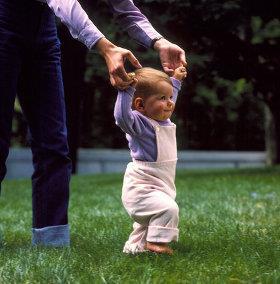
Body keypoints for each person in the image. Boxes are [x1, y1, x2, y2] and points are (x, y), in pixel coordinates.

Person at [0, 0, 186, 247]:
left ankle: (51, 241)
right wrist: (106, 48)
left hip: (43, 34)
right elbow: (63, 3)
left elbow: (124, 9)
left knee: (53, 143)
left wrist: (158, 41)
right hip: (3, 24)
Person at [114, 66, 187, 254]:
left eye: (170, 97)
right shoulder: (139, 125)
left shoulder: (163, 121)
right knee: (168, 209)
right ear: (140, 105)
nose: (170, 103)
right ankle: (156, 243)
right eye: (162, 98)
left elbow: (169, 100)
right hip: (141, 188)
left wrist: (175, 82)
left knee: (148, 223)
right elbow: (122, 117)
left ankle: (135, 248)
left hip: (161, 184)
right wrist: (126, 90)